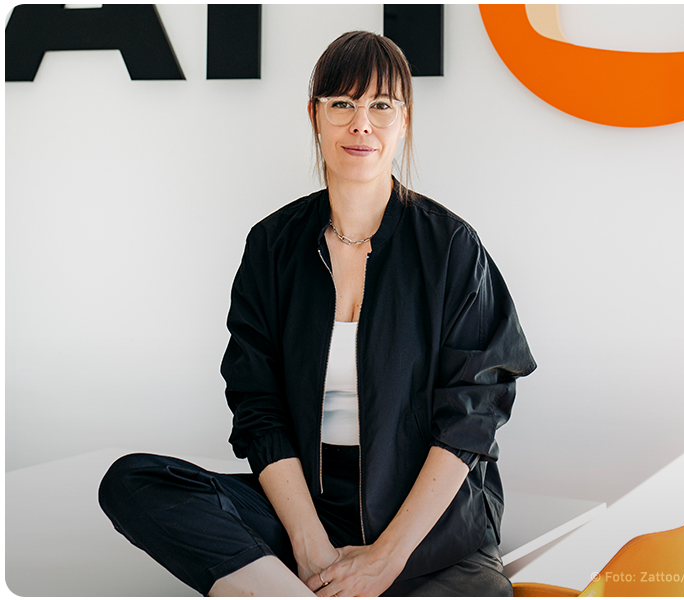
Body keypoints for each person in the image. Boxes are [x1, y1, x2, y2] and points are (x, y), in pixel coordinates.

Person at [99, 30, 535, 598]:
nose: (362, 124)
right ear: (315, 115)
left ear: (404, 121)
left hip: (426, 532)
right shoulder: (273, 246)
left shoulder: (451, 247)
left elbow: (471, 417)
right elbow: (259, 409)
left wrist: (384, 559)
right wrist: (308, 546)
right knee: (134, 482)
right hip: (304, 512)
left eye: (381, 105)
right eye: (343, 104)